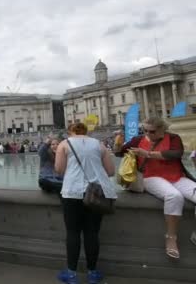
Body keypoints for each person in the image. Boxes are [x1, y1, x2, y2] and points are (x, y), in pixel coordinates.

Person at [116, 116, 196, 260]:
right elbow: (120, 152)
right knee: (174, 196)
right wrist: (118, 145)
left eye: (151, 131)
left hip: (176, 176)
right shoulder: (137, 140)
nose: (147, 134)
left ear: (162, 130)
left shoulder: (173, 138)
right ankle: (171, 237)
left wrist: (148, 154)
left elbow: (175, 154)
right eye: (145, 130)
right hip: (151, 177)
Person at [54, 123, 116, 284]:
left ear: (70, 132)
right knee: (92, 233)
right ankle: (93, 273)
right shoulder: (99, 144)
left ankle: (71, 274)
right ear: (86, 132)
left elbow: (59, 169)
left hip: (72, 192)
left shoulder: (64, 144)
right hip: (96, 193)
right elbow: (110, 171)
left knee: (73, 232)